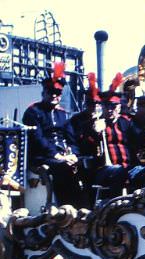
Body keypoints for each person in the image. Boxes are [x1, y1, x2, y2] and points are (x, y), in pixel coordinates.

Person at [79, 72, 145, 201]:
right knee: (119, 171)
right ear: (102, 107)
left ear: (119, 107)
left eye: (114, 106)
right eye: (107, 106)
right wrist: (94, 133)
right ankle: (117, 206)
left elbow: (140, 138)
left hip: (126, 168)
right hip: (103, 170)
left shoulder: (126, 123)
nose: (110, 109)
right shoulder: (93, 124)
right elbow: (85, 147)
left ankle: (141, 205)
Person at [22, 61, 83, 206]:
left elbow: (71, 139)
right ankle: (64, 209)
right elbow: (38, 139)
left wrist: (74, 154)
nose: (55, 96)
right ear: (44, 93)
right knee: (63, 168)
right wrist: (57, 155)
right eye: (51, 92)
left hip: (63, 155)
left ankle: (85, 207)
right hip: (42, 156)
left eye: (58, 93)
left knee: (86, 165)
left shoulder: (63, 114)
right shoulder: (33, 112)